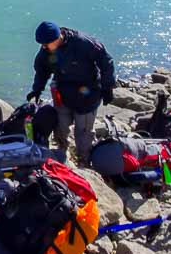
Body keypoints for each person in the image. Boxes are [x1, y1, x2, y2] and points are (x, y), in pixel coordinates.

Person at [27, 21, 115, 163]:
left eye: (45, 44)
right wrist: (37, 89)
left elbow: (106, 61)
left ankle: (84, 159)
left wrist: (107, 87)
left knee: (83, 132)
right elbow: (41, 70)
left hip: (88, 93)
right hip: (64, 92)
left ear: (57, 38)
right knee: (61, 127)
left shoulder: (83, 43)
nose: (43, 47)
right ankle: (62, 154)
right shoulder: (46, 50)